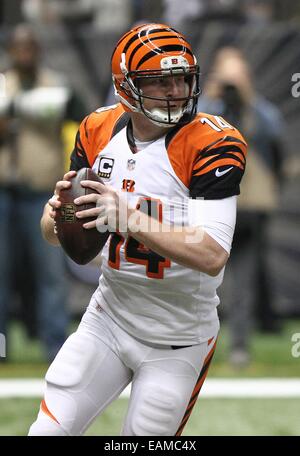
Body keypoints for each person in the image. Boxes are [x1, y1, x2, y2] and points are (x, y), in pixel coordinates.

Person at [28, 23, 247, 436]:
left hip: (177, 338)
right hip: (108, 317)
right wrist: (59, 214)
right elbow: (54, 233)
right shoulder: (97, 129)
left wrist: (128, 217)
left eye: (182, 78)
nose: (176, 90)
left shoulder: (211, 143)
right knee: (46, 432)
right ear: (125, 87)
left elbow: (212, 253)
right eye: (160, 81)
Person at [0, 24, 86, 361]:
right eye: (19, 47)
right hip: (3, 192)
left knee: (51, 274)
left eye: (30, 46)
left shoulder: (57, 87)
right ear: (9, 50)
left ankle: (55, 348)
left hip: (43, 194)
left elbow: (86, 121)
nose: (25, 52)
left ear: (39, 50)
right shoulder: (1, 84)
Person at [198, 47, 284, 366]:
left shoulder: (259, 111)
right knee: (198, 277)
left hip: (248, 209)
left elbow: (271, 131)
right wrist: (211, 96)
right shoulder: (209, 108)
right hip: (210, 203)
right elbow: (193, 129)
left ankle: (239, 346)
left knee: (243, 282)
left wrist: (247, 97)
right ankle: (193, 344)